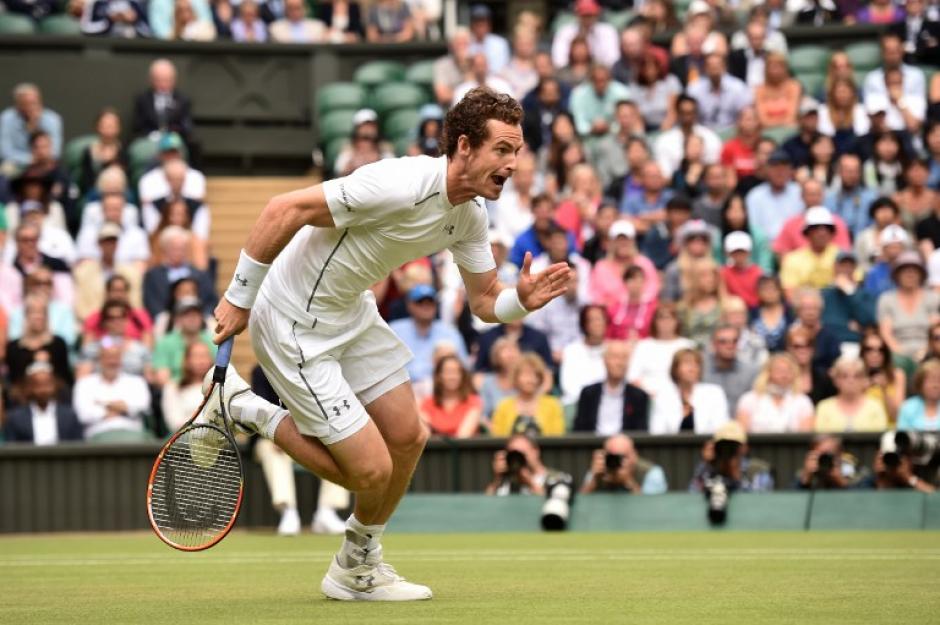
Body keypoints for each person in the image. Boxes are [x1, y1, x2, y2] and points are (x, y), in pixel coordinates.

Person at [209, 87, 571, 601]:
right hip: (293, 319)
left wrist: (523, 300)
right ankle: (247, 407)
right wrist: (238, 300)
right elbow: (282, 208)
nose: (513, 164)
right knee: (371, 470)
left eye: (517, 151)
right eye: (503, 150)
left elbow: (486, 301)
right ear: (465, 146)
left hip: (351, 313)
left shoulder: (468, 215)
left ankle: (355, 563)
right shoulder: (399, 183)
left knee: (407, 435)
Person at [73, 343, 152, 440]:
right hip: (98, 436)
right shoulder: (84, 384)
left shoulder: (137, 382)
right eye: (108, 357)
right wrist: (122, 408)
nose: (112, 362)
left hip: (132, 435)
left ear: (121, 359)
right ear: (99, 360)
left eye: (116, 357)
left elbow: (143, 406)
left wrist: (104, 404)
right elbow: (83, 415)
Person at [573, 340, 650, 435]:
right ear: (605, 360)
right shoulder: (588, 394)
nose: (620, 363)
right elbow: (580, 430)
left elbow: (640, 432)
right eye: (615, 357)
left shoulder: (639, 396)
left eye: (624, 358)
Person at [649, 348, 730, 435]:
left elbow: (721, 429)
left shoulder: (714, 394)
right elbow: (656, 432)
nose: (692, 368)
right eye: (687, 363)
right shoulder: (663, 398)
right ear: (675, 369)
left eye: (696, 364)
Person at [142, 226, 215, 320]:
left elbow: (210, 301)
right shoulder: (153, 276)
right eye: (174, 249)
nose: (179, 252)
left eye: (182, 248)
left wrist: (201, 317)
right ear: (165, 249)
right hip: (165, 323)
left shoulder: (200, 275)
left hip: (198, 322)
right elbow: (152, 304)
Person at [878, 251, 939, 361]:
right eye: (905, 270)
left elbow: (935, 330)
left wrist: (924, 352)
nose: (910, 274)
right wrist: (901, 354)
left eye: (914, 270)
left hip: (929, 351)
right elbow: (886, 333)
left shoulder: (933, 298)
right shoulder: (886, 299)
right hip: (897, 353)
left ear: (921, 274)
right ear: (897, 274)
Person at [3, 362, 83, 444]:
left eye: (47, 384)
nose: (43, 390)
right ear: (30, 387)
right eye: (38, 385)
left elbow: (78, 444)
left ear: (54, 385)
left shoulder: (69, 416)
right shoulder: (15, 418)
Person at [688, 421, 775, 493]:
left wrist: (735, 477)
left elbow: (761, 503)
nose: (727, 450)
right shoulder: (709, 471)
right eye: (723, 446)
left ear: (744, 448)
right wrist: (706, 464)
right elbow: (691, 496)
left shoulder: (757, 471)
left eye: (733, 446)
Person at [736, 353, 815, 432]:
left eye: (788, 370)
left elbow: (805, 435)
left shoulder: (803, 401)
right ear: (768, 373)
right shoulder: (749, 400)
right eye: (779, 370)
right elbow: (742, 435)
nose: (784, 375)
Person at [491, 353, 565, 437]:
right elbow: (496, 438)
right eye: (526, 374)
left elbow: (556, 438)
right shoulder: (503, 406)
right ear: (516, 377)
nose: (530, 380)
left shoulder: (552, 405)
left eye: (535, 375)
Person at [150, 296, 217, 385]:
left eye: (196, 314)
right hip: (176, 392)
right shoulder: (165, 343)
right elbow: (162, 378)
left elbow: (223, 373)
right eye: (186, 314)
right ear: (177, 318)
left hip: (209, 391)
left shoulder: (214, 341)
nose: (192, 318)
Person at [133, 59, 195, 153]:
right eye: (159, 80)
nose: (163, 85)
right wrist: (152, 135)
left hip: (175, 142)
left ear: (174, 80)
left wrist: (172, 134)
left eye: (166, 80)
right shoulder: (143, 100)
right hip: (149, 143)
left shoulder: (183, 101)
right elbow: (138, 127)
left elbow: (187, 128)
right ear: (151, 80)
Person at [654, 94, 722, 179]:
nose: (687, 118)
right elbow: (665, 175)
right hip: (675, 185)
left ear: (696, 113)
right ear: (677, 113)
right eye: (683, 113)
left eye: (690, 113)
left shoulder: (711, 138)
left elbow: (714, 168)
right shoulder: (664, 141)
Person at [815, 356, 890, 432]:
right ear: (836, 380)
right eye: (844, 376)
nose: (851, 381)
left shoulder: (875, 406)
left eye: (856, 376)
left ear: (864, 380)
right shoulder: (824, 407)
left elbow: (880, 439)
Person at [745, 148, 803, 241]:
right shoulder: (755, 196)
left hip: (795, 248)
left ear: (790, 171)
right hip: (765, 248)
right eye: (775, 168)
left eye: (784, 168)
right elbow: (753, 229)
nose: (779, 172)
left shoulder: (800, 192)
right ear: (767, 170)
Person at [779, 206, 840, 296]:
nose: (822, 233)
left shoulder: (842, 256)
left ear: (832, 232)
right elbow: (789, 292)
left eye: (827, 228)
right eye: (816, 228)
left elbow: (854, 286)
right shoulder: (793, 259)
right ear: (807, 232)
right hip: (805, 307)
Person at [0, 84, 62, 171]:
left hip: (45, 163)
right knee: (6, 170)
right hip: (16, 164)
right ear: (17, 105)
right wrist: (30, 159)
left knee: (60, 173)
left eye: (34, 103)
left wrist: (35, 128)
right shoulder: (6, 118)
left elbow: (55, 152)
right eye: (26, 104)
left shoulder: (52, 119)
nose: (31, 108)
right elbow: (5, 152)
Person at [417, 354, 481, 438]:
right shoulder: (427, 403)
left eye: (456, 372)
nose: (452, 377)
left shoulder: (473, 401)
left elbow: (463, 437)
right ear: (439, 376)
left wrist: (433, 429)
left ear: (462, 376)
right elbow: (426, 437)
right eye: (448, 372)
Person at [822, 251, 877, 346]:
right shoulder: (824, 293)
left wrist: (850, 292)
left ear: (855, 268)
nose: (846, 269)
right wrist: (844, 325)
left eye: (850, 266)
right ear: (835, 267)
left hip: (855, 343)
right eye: (842, 265)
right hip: (829, 344)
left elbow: (870, 320)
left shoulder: (864, 294)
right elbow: (824, 321)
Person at [580, 434, 667, 494]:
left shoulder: (651, 472)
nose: (616, 462)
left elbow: (654, 509)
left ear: (634, 455)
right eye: (612, 457)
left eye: (623, 457)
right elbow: (581, 505)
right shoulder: (599, 469)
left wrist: (629, 482)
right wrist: (594, 481)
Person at [686, 52, 753, 132]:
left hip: (733, 132)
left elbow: (746, 113)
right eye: (710, 66)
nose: (714, 69)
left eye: (717, 66)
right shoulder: (694, 89)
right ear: (705, 68)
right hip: (703, 133)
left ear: (724, 67)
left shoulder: (738, 87)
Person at [702, 323, 759, 414]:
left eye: (734, 341)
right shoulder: (701, 371)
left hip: (741, 425)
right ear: (713, 344)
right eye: (723, 342)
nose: (730, 346)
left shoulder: (751, 372)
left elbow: (755, 406)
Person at [161, 340, 214, 431]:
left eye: (205, 356)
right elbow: (174, 422)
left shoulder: (219, 387)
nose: (201, 360)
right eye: (196, 356)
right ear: (187, 360)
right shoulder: (172, 388)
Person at [550, 0, 619, 70]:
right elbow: (559, 61)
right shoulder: (565, 32)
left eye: (591, 15)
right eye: (584, 15)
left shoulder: (608, 31)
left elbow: (613, 59)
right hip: (570, 73)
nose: (588, 19)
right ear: (577, 14)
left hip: (601, 72)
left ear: (597, 14)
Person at [569, 64, 631, 138]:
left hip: (615, 137)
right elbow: (578, 122)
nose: (600, 84)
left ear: (610, 79)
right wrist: (591, 128)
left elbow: (627, 120)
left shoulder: (621, 93)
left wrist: (610, 128)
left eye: (603, 80)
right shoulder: (578, 94)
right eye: (596, 80)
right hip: (587, 138)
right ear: (590, 80)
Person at [860, 327, 907, 424]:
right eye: (869, 349)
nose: (875, 354)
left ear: (886, 353)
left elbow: (898, 416)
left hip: (889, 430)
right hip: (863, 429)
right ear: (862, 353)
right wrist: (861, 390)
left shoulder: (897, 375)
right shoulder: (856, 375)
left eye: (880, 350)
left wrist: (885, 390)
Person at [485, 433, 557, 496]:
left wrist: (530, 483)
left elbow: (552, 505)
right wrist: (497, 480)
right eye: (514, 456)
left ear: (535, 451)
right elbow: (487, 506)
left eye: (522, 454)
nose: (518, 460)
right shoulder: (506, 483)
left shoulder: (555, 479)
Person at [795, 434, 872, 489]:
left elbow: (864, 501)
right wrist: (805, 481)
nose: (825, 460)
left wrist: (842, 483)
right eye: (821, 456)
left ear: (840, 454)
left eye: (829, 455)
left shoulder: (858, 474)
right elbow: (790, 502)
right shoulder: (806, 475)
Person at [753, 51, 801, 128]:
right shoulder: (759, 89)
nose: (775, 71)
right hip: (766, 132)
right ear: (766, 69)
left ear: (785, 69)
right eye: (772, 67)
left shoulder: (794, 86)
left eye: (779, 67)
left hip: (789, 130)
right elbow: (762, 120)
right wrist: (779, 123)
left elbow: (791, 117)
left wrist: (777, 123)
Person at [476, 336, 520, 419]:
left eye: (513, 350)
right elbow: (482, 415)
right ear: (496, 356)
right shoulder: (488, 383)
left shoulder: (524, 380)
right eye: (505, 350)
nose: (510, 355)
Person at [898, 359, 940, 430]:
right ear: (920, 384)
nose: (935, 385)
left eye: (939, 381)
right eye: (931, 381)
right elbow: (902, 436)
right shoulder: (907, 407)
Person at [81, 0, 152, 37]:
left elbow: (149, 32)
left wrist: (135, 20)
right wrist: (109, 21)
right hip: (105, 47)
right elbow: (85, 29)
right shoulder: (98, 4)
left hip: (131, 47)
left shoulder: (134, 4)